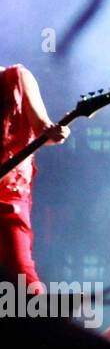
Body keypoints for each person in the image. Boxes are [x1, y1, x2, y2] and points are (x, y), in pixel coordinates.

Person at [0, 64, 70, 294]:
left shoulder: (17, 78)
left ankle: (45, 327)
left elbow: (42, 128)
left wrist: (54, 132)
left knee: (23, 276)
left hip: (8, 196)